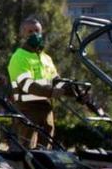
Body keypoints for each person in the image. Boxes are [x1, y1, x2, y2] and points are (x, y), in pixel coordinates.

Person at [7, 17, 69, 149]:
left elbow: (56, 80)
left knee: (46, 151)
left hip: (46, 110)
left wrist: (74, 91)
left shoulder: (46, 58)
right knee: (26, 149)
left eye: (37, 31)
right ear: (22, 34)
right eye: (30, 32)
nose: (34, 34)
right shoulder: (19, 57)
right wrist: (51, 92)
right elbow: (27, 85)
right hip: (27, 110)